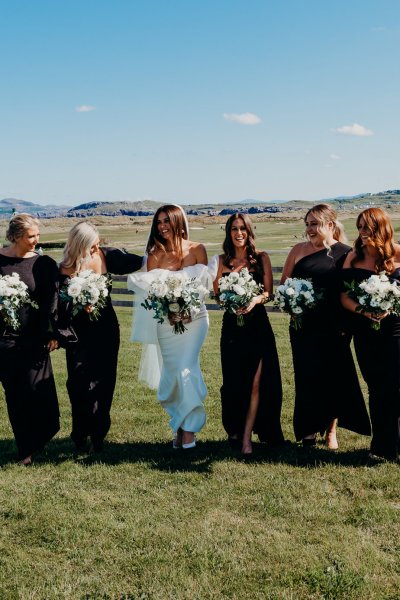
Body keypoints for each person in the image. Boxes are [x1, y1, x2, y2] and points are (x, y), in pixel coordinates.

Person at [281, 204, 370, 448]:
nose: (309, 229)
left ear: (330, 225)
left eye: (314, 224)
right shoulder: (298, 251)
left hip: (335, 328)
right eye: (307, 224)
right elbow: (284, 284)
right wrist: (291, 302)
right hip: (302, 327)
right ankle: (307, 430)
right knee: (306, 377)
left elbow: (351, 291)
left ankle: (331, 431)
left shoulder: (346, 253)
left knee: (333, 379)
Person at [128, 204, 209, 450]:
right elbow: (152, 294)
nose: (162, 226)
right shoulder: (155, 255)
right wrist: (170, 312)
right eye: (159, 222)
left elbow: (203, 289)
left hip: (194, 321)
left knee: (187, 369)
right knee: (172, 375)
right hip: (166, 322)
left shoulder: (198, 249)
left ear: (178, 222)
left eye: (167, 221)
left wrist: (186, 310)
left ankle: (189, 431)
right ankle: (179, 424)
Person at [59, 221, 142, 452]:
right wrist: (76, 305)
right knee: (78, 382)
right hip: (77, 333)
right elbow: (58, 305)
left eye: (97, 245)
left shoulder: (108, 257)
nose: (96, 250)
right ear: (79, 245)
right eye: (92, 247)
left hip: (106, 329)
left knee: (105, 381)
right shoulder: (64, 267)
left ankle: (98, 434)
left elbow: (139, 262)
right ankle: (79, 433)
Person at [211, 213, 284, 456]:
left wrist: (254, 299)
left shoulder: (261, 258)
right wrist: (230, 300)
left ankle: (247, 439)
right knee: (233, 383)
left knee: (256, 383)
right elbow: (217, 295)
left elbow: (268, 293)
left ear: (249, 231)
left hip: (257, 327)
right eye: (234, 228)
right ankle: (235, 430)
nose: (239, 233)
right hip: (232, 327)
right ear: (228, 232)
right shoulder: (221, 260)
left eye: (243, 228)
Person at [0, 213, 61, 465]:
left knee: (41, 393)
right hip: (5, 339)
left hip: (35, 339)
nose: (36, 240)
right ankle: (25, 450)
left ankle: (39, 437)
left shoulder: (44, 264)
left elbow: (52, 301)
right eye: (30, 236)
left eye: (37, 235)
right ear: (15, 236)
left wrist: (54, 333)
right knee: (16, 394)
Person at [341, 207, 400, 461]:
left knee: (397, 386)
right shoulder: (353, 257)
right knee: (376, 387)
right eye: (359, 227)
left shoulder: (398, 252)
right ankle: (382, 447)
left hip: (396, 328)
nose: (362, 232)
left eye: (367, 227)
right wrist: (364, 311)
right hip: (365, 331)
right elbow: (343, 296)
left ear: (381, 227)